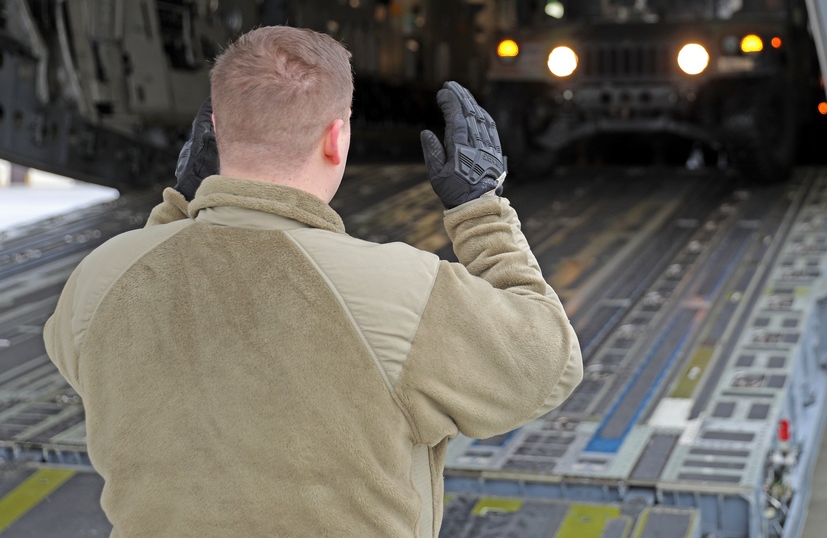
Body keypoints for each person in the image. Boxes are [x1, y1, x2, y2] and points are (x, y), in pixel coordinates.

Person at [43, 26, 583, 537]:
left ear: (214, 133)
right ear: (336, 138)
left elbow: (101, 346)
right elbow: (546, 363)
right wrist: (479, 208)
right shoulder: (404, 291)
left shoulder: (99, 280)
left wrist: (181, 204)